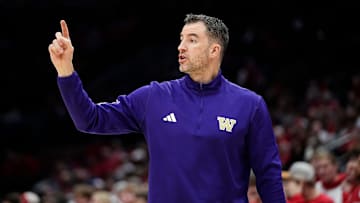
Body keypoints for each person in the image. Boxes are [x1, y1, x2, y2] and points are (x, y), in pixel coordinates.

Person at [48, 13, 286, 202]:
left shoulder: (250, 105)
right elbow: (89, 120)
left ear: (214, 50)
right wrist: (66, 71)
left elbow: (268, 175)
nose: (181, 46)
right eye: (181, 39)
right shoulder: (154, 96)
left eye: (192, 40)